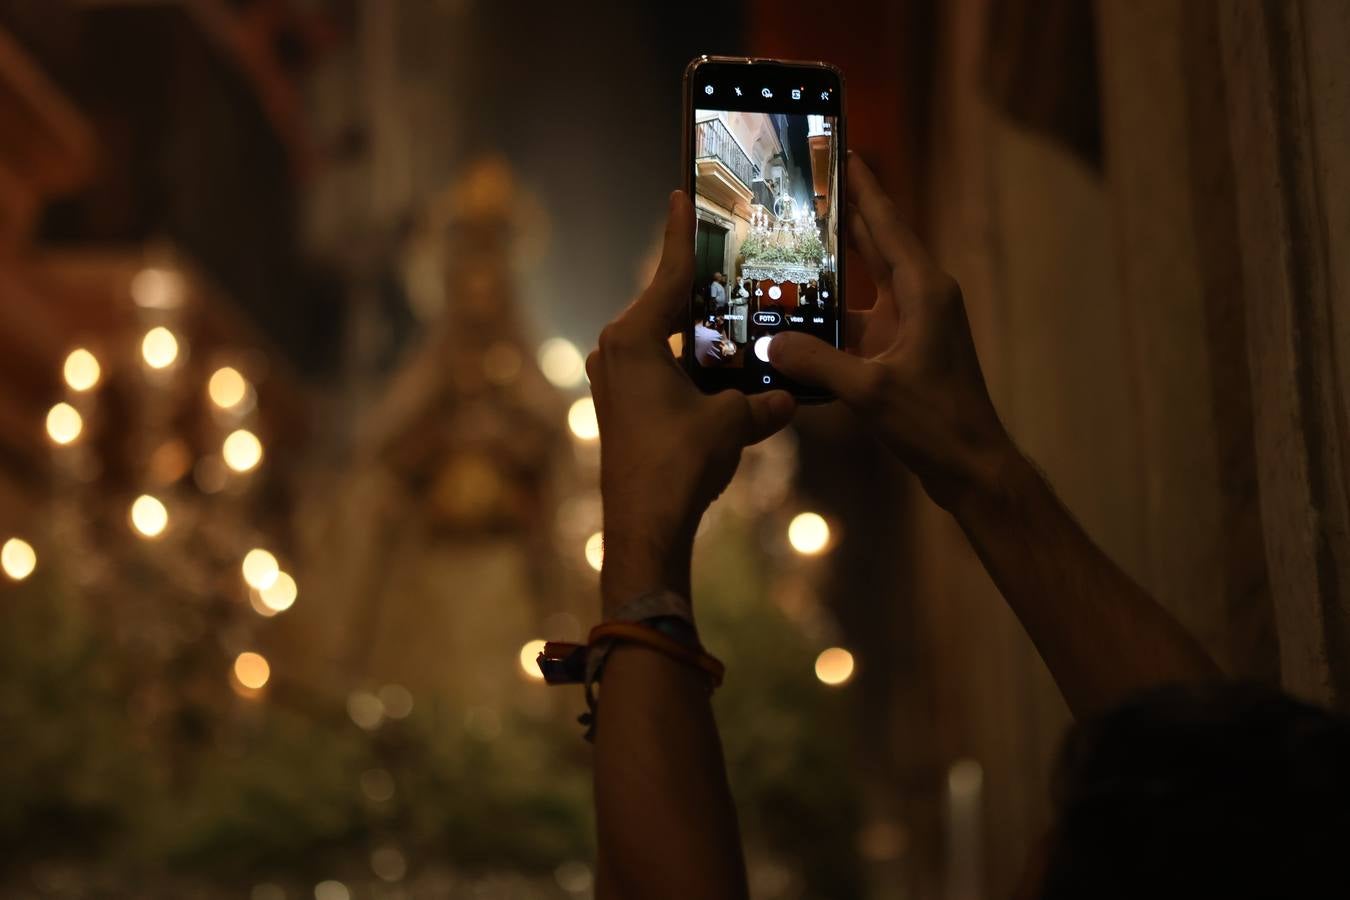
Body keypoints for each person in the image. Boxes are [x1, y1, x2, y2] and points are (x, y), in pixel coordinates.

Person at [581, 155, 1350, 899]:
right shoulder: (1250, 832)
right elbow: (1221, 787)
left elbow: (1213, 791)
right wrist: (976, 465)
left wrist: (644, 540)